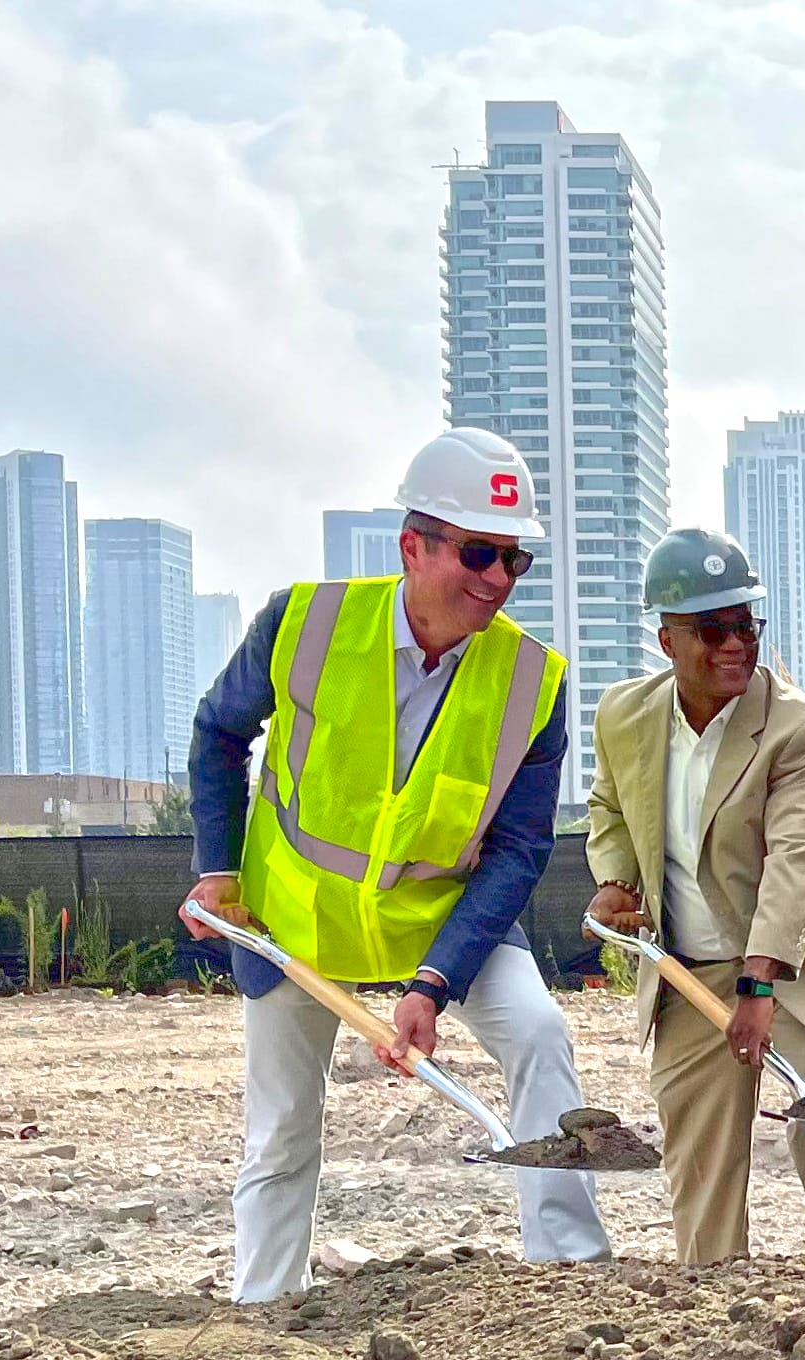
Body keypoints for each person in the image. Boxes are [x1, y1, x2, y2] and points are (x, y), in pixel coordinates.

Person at [181, 425, 610, 1304]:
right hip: (297, 920)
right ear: (413, 546)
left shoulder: (536, 682)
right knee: (283, 1127)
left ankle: (570, 1274)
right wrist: (218, 870)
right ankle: (264, 1308)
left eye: (514, 561)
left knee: (537, 1033)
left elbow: (521, 848)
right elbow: (217, 734)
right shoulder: (304, 623)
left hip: (441, 920)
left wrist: (433, 981)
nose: (497, 581)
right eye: (480, 553)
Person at [584, 528, 805, 1264]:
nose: (734, 645)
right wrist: (615, 881)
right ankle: (716, 1303)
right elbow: (610, 808)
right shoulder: (625, 717)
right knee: (701, 1163)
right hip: (689, 971)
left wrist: (759, 982)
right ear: (665, 639)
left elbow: (797, 864)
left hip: (798, 962)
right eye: (712, 629)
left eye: (745, 625)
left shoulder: (801, 732)